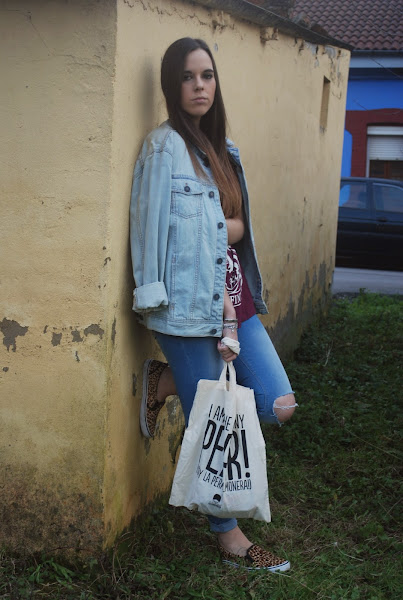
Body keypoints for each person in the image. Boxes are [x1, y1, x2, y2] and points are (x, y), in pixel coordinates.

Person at [130, 37, 297, 572]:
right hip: (185, 307)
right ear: (171, 85)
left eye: (206, 75)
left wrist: (226, 228)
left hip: (233, 299)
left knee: (276, 404)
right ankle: (230, 539)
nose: (199, 86)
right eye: (187, 77)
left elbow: (238, 227)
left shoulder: (225, 149)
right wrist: (151, 299)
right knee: (214, 422)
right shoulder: (163, 148)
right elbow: (148, 228)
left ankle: (163, 382)